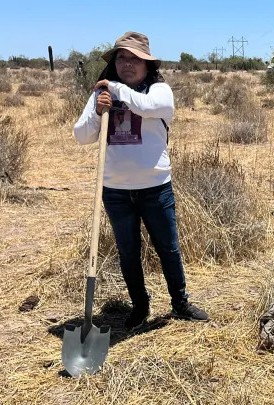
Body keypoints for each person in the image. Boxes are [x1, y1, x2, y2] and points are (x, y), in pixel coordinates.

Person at [73, 31, 208, 329]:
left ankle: (180, 303)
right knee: (128, 252)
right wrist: (98, 111)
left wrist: (117, 91)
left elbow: (147, 108)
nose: (127, 63)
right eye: (122, 57)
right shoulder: (101, 95)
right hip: (116, 191)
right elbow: (82, 136)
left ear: (148, 64)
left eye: (135, 58)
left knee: (168, 247)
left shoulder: (159, 91)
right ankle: (140, 306)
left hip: (155, 188)